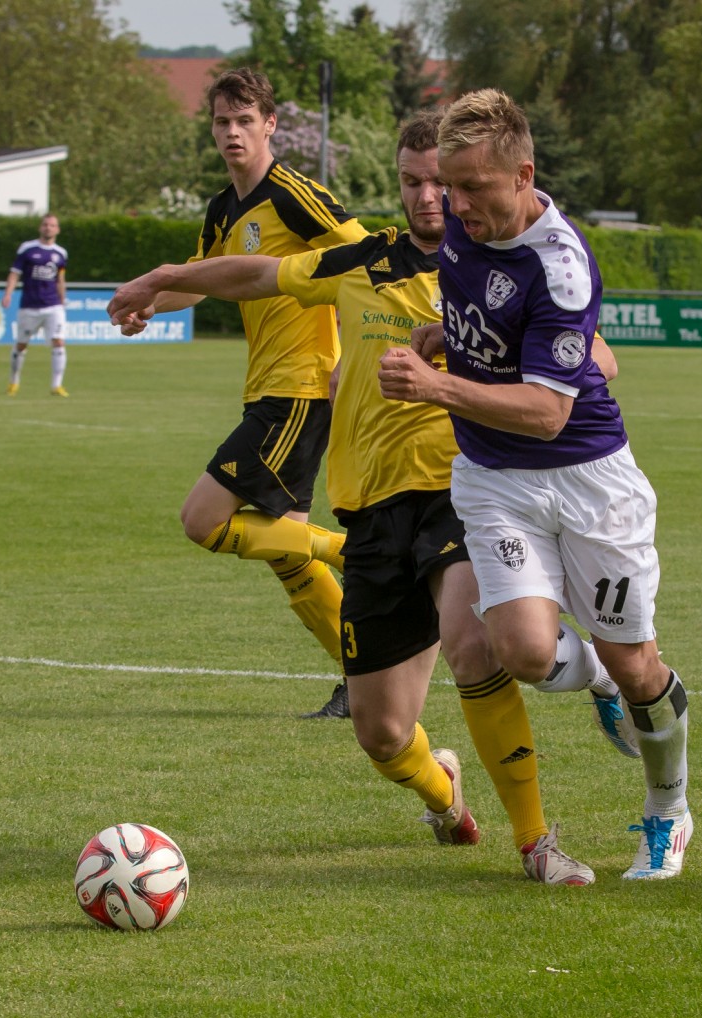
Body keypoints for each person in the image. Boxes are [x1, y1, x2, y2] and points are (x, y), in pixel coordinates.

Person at [109, 110, 599, 884]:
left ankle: (537, 840)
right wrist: (162, 278)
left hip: (461, 488)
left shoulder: (501, 271)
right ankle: (445, 797)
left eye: (442, 181)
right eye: (413, 181)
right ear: (398, 182)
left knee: (472, 642)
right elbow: (255, 274)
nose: (430, 197)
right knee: (379, 732)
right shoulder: (360, 259)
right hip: (369, 511)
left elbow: (590, 351)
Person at [378, 89, 693, 880]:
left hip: (587, 479)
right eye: (449, 187)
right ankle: (595, 680)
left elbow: (549, 412)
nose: (456, 206)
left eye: (476, 189)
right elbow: (481, 316)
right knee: (517, 649)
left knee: (640, 667)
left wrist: (435, 385)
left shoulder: (562, 264)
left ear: (523, 175)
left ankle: (669, 809)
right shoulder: (462, 221)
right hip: (493, 478)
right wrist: (446, 338)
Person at [116, 68, 368, 717]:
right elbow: (204, 282)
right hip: (266, 389)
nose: (232, 133)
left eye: (244, 121)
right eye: (222, 122)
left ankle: (356, 550)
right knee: (284, 554)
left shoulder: (292, 195)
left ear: (270, 125)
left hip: (300, 389)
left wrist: (352, 348)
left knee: (204, 519)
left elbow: (365, 259)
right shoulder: (223, 208)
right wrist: (152, 303)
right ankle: (360, 674)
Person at [2, 213, 70, 397]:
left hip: (53, 305)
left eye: (52, 225)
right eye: (45, 224)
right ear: (40, 227)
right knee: (21, 345)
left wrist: (63, 300)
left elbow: (60, 279)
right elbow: (15, 273)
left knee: (58, 341)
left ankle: (56, 385)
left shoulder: (61, 253)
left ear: (57, 229)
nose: (48, 228)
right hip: (29, 306)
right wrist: (8, 293)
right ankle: (14, 381)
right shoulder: (27, 249)